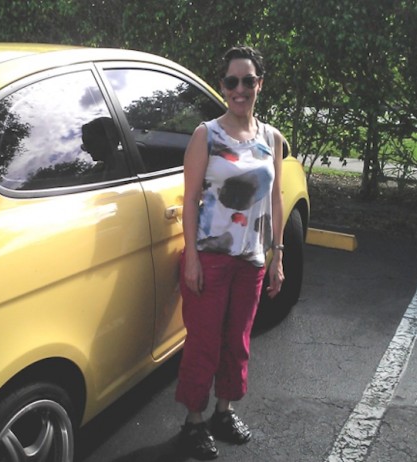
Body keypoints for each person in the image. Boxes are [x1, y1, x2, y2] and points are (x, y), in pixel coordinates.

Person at [175, 46, 285, 460]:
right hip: (212, 256)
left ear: (260, 84)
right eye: (231, 81)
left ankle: (224, 411)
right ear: (222, 86)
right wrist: (191, 258)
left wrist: (278, 254)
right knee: (204, 340)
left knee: (238, 339)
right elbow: (189, 201)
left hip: (252, 258)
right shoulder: (207, 134)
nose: (239, 89)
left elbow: (274, 199)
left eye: (248, 80)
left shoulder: (271, 137)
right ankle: (194, 421)